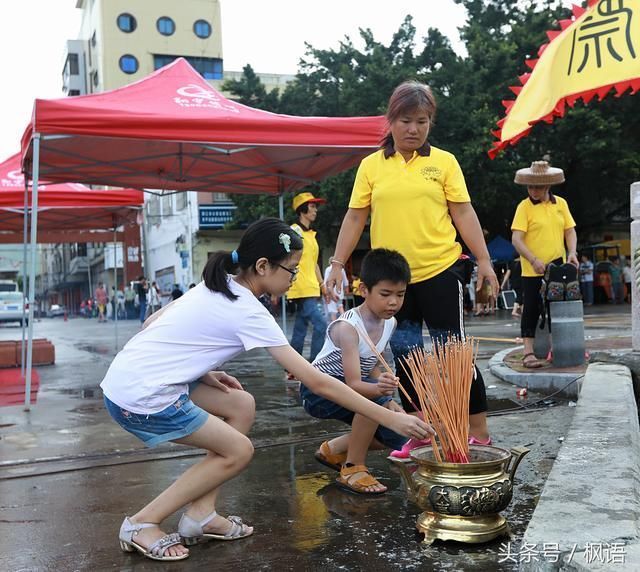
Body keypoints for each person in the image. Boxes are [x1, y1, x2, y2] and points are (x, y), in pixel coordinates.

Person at [100, 218, 431, 562]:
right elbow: (315, 381)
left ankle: (200, 515)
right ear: (262, 266)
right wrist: (392, 420)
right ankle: (142, 523)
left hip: (130, 380)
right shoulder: (248, 310)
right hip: (143, 397)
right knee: (238, 451)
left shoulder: (220, 284)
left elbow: (152, 323)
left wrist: (201, 372)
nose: (296, 279)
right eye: (292, 271)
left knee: (240, 404)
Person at [326, 80, 497, 459]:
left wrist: (483, 261)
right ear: (390, 121)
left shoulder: (444, 163)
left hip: (440, 269)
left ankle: (478, 432)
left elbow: (463, 212)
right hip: (393, 282)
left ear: (429, 122)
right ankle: (419, 432)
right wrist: (337, 264)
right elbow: (355, 217)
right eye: (405, 120)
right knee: (404, 356)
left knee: (455, 354)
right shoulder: (372, 166)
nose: (413, 129)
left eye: (421, 121)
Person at [302, 249, 410, 494]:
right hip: (319, 390)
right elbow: (353, 384)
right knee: (375, 404)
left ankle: (333, 450)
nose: (393, 302)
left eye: (400, 294)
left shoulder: (390, 322)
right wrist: (382, 396)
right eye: (385, 294)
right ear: (363, 290)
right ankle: (353, 468)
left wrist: (384, 386)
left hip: (355, 387)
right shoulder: (348, 328)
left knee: (395, 436)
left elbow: (370, 365)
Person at [510, 160, 578, 368]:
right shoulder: (524, 207)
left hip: (557, 268)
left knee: (557, 309)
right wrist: (533, 259)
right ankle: (528, 353)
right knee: (531, 308)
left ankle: (558, 349)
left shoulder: (561, 204)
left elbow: (569, 230)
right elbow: (516, 239)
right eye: (530, 186)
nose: (533, 190)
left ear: (548, 185)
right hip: (532, 270)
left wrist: (572, 253)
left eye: (537, 186)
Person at [287, 192, 328, 368]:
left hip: (311, 286)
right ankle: (315, 365)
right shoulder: (294, 231)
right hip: (300, 287)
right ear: (302, 210)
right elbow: (287, 257)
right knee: (321, 325)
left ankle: (291, 367)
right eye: (312, 206)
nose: (315, 210)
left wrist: (322, 284)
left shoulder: (311, 234)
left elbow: (314, 263)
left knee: (300, 329)